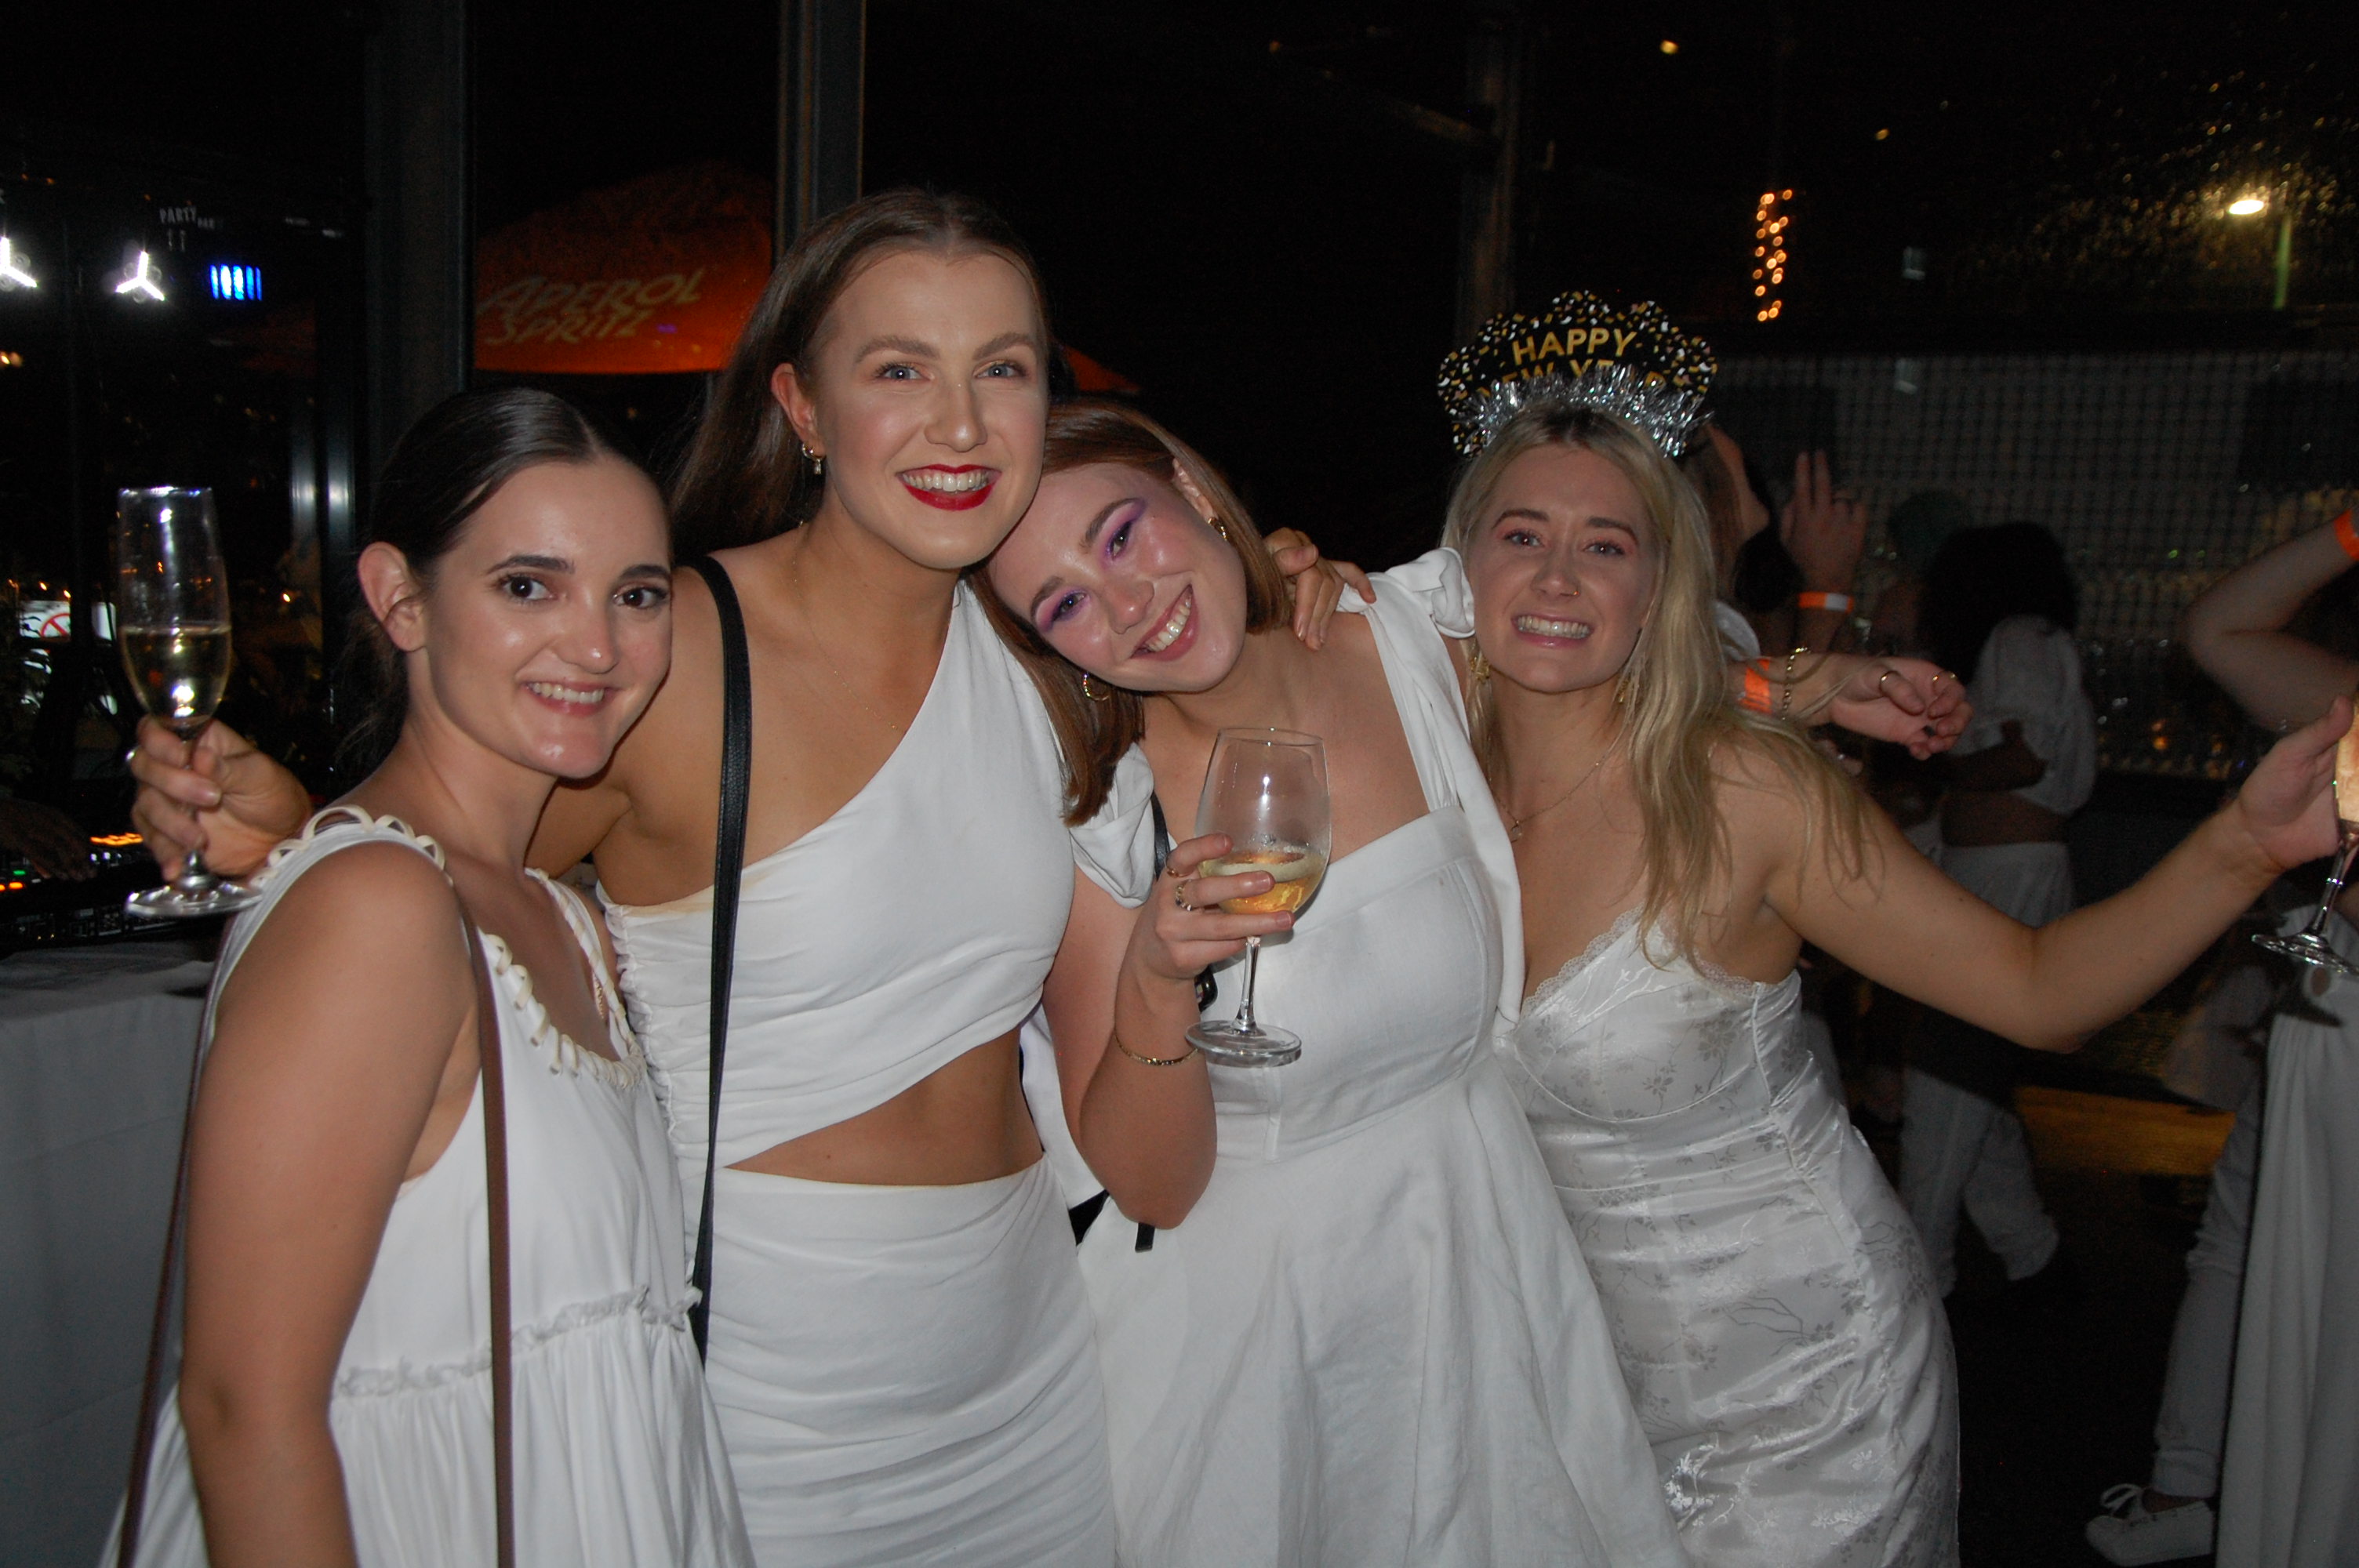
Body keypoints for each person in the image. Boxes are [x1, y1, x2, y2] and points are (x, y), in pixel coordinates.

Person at [125, 190, 1343, 1568]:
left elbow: (1150, 1169)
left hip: (1028, 1378)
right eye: (900, 371)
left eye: (1000, 368)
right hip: (765, 1403)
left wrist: (1303, 595)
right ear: (802, 408)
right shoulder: (660, 651)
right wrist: (288, 829)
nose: (959, 426)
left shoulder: (1043, 671)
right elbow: (440, 878)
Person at [1435, 390, 2343, 1566]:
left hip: (1797, 1391)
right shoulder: (1433, 780)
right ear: (1458, 566)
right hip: (1565, 1380)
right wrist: (1806, 676)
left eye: (1606, 545)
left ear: (1657, 590)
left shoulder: (1745, 793)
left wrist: (2242, 846)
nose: (1557, 574)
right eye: (1522, 533)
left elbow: (2038, 991)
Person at [973, 399, 1686, 1565]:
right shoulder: (1104, 816)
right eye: (1064, 604)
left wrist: (1800, 683)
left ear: (1192, 493)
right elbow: (1152, 1188)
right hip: (1262, 1341)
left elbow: (1607, 649)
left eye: (1121, 535)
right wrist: (1154, 982)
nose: (1126, 604)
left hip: (1484, 1264)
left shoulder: (1402, 640)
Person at [109, 387, 751, 1565]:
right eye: (528, 586)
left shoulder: (559, 912)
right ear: (400, 598)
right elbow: (244, 1411)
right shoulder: (378, 908)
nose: (597, 645)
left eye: (637, 594)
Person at [2081, 508, 2359, 1568]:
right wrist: (2350, 530)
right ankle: (2203, 1489)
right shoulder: (2346, 699)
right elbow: (2219, 631)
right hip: (2328, 1030)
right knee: (2284, 1288)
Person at [1903, 521, 2094, 1302]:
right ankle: (2031, 1253)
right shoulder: (2021, 641)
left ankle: (1920, 1279)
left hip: (2008, 871)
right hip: (1993, 869)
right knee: (1963, 1078)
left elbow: (2021, 757)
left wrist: (1933, 757)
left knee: (1944, 1084)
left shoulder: (2020, 636)